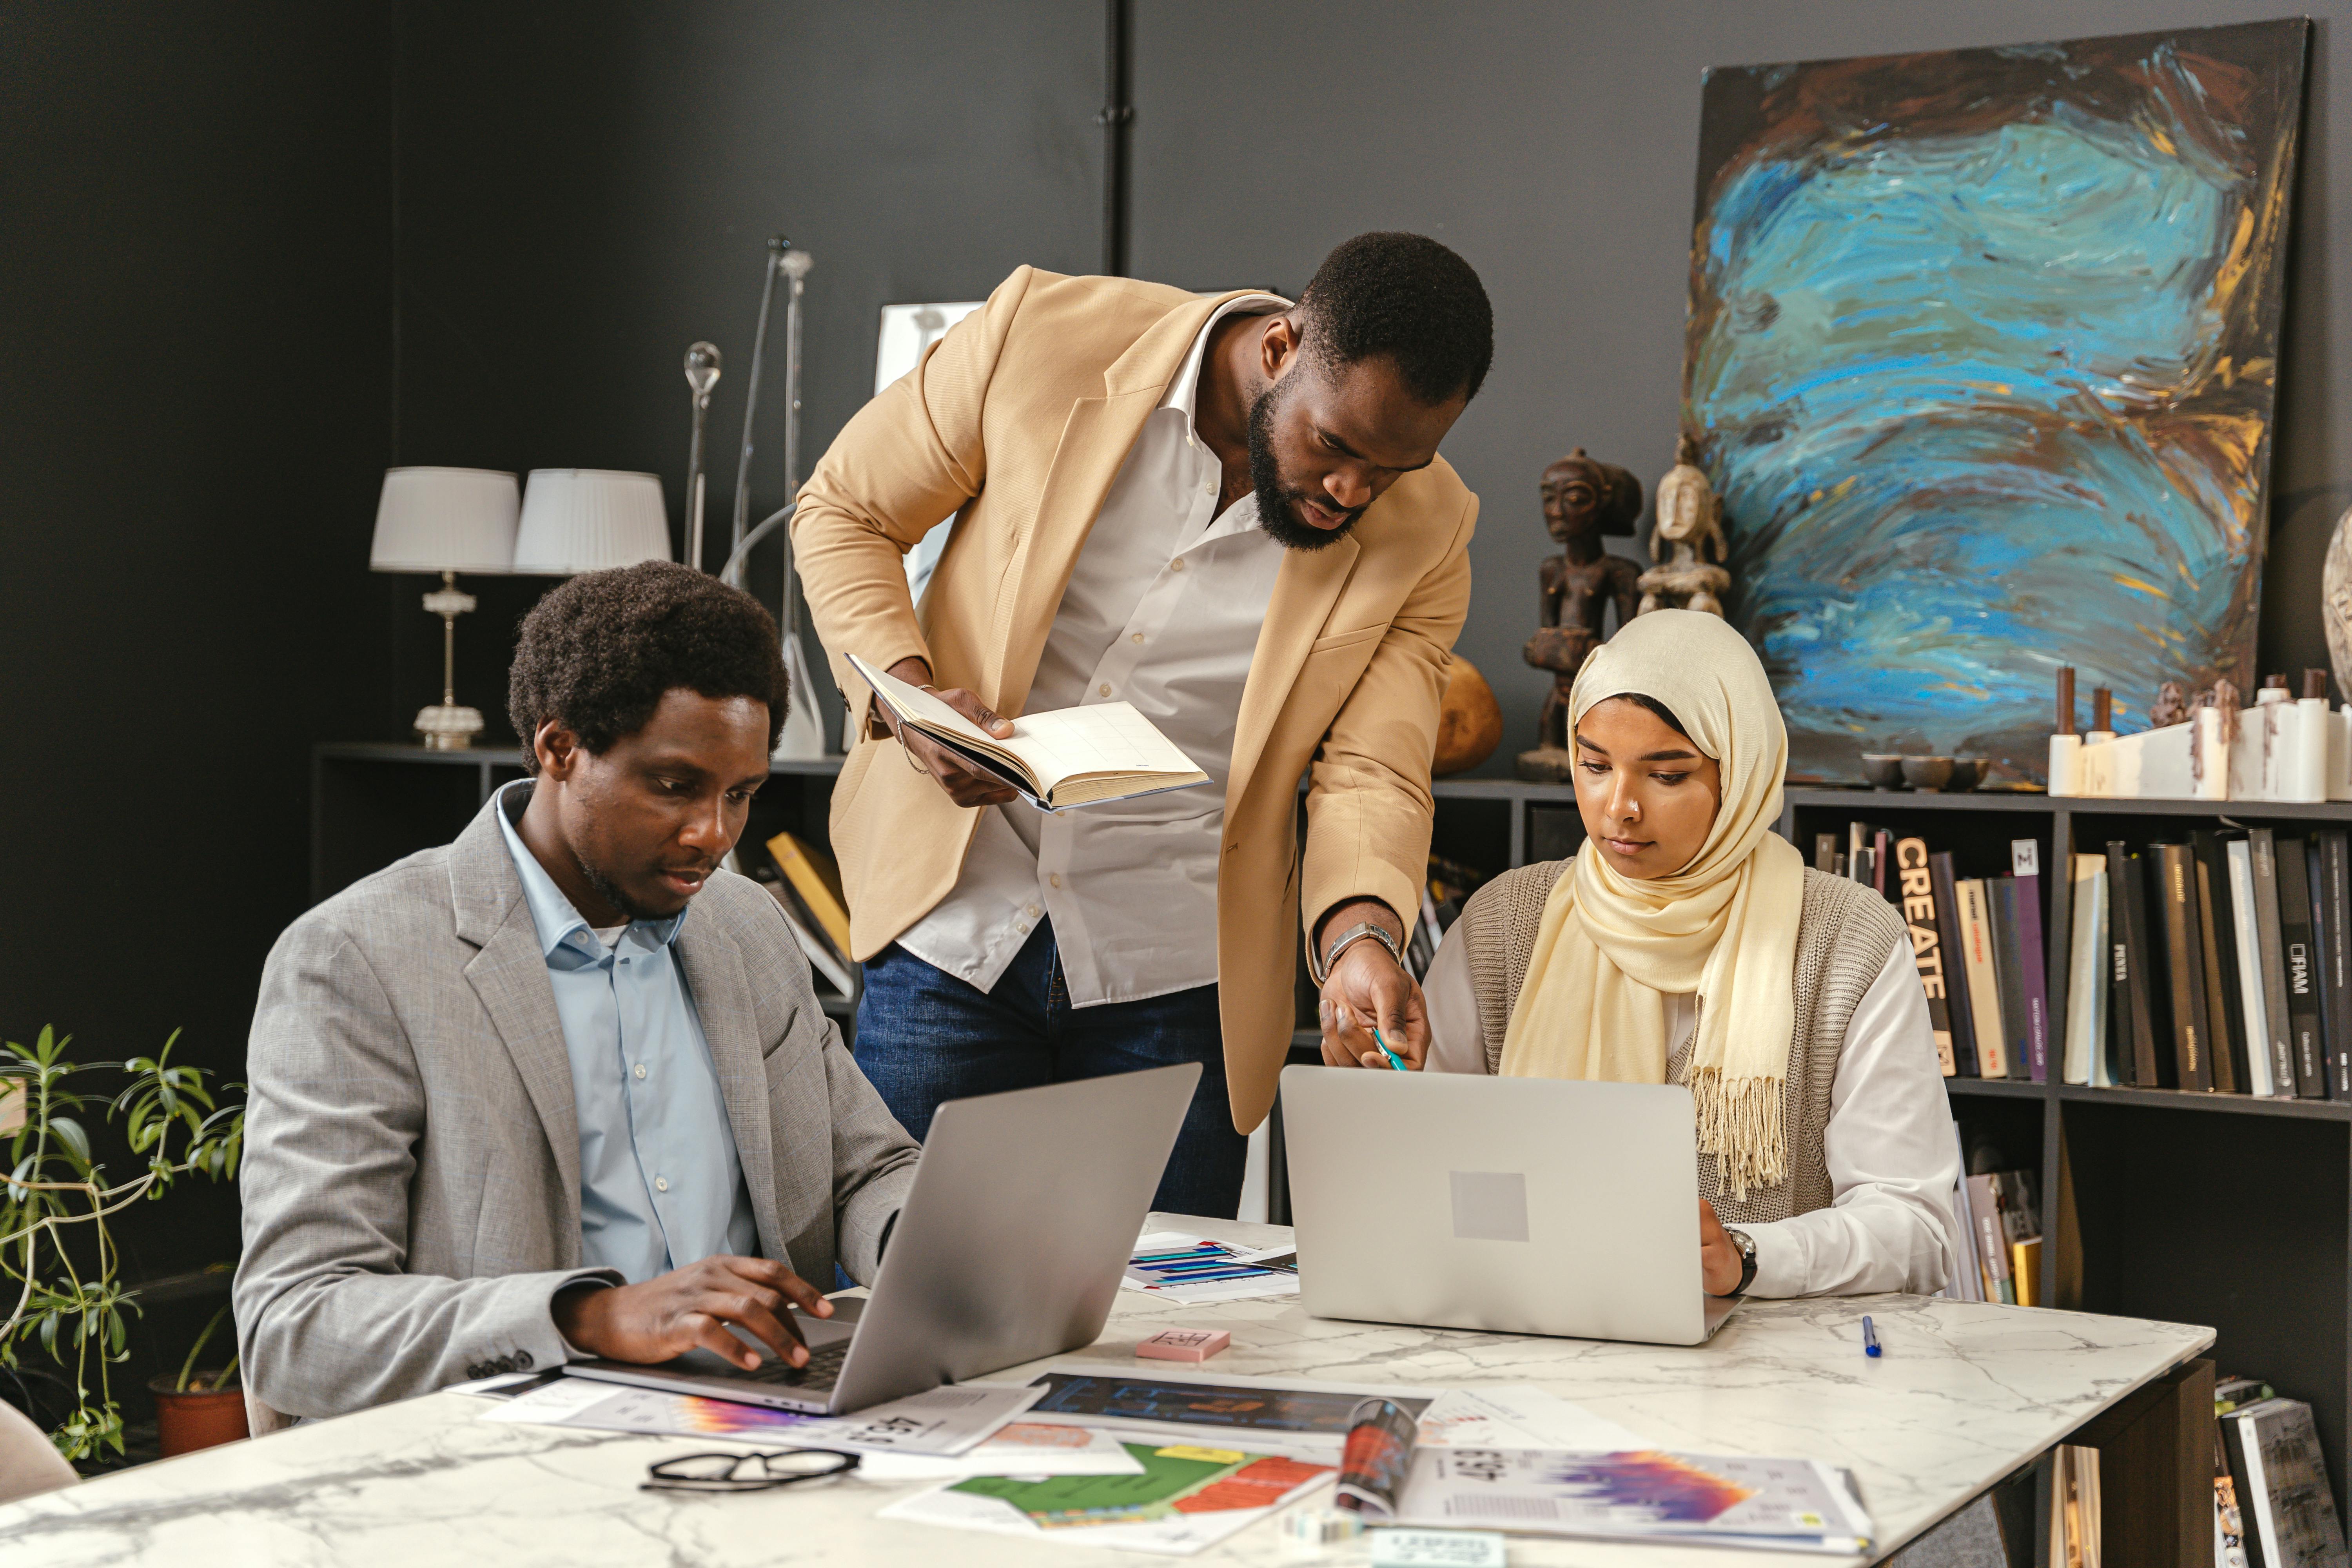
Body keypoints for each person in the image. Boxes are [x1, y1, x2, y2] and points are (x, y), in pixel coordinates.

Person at [791, 232, 1494, 1217]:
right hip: (955, 931)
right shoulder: (1040, 334)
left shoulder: (1434, 525)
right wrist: (905, 699)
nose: (1352, 494)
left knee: (1162, 1339)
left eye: (1392, 468)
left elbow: (1372, 771)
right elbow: (846, 510)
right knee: (913, 1305)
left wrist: (1361, 936)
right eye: (1335, 446)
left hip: (1175, 978)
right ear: (1283, 348)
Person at [236, 563, 920, 1419]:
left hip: (767, 1415)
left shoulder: (746, 926)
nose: (713, 834)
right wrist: (595, 1315)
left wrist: (930, 1248)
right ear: (559, 749)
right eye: (674, 786)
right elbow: (295, 1319)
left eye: (740, 794)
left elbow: (870, 1169)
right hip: (514, 1445)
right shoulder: (357, 957)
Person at [1341, 610, 1958, 1299]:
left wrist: (1749, 1259)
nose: (1620, 807)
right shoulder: (1503, 925)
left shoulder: (1849, 940)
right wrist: (1389, 1093)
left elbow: (1914, 1227)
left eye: (1666, 775)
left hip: (1776, 1376)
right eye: (1595, 766)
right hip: (1535, 1344)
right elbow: (1429, 1181)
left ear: (1743, 774)